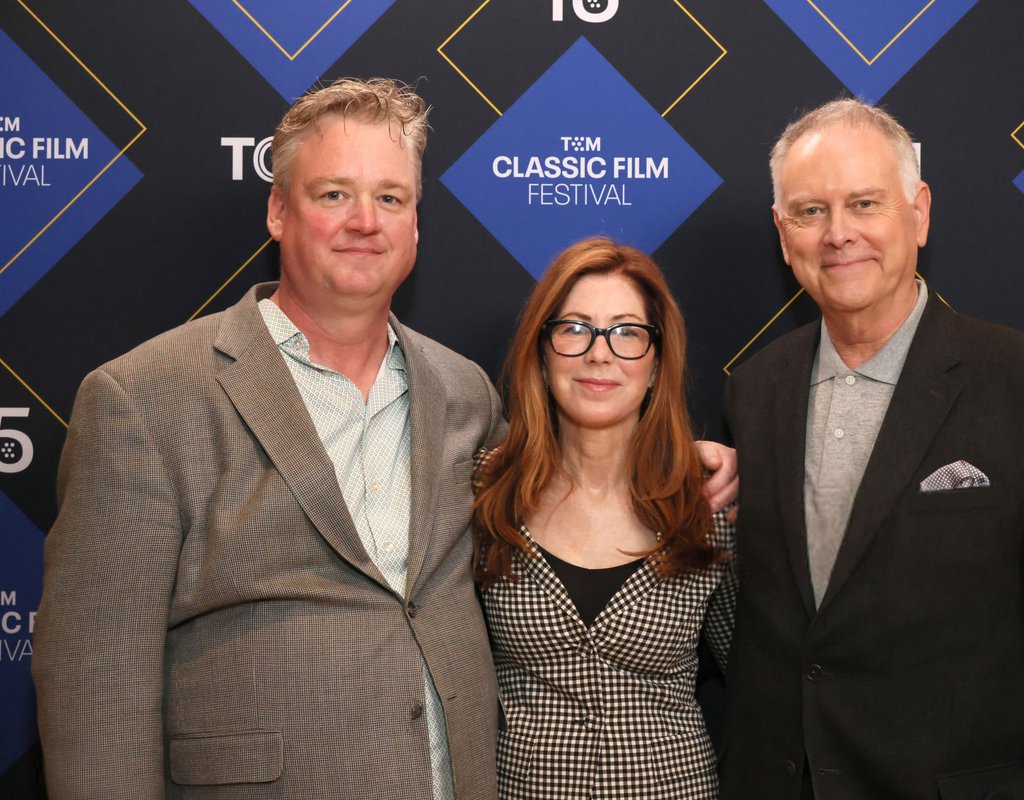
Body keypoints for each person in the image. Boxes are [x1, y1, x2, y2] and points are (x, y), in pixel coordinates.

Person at [33, 79, 736, 800]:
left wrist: (691, 463)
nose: (365, 221)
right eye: (334, 194)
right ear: (278, 211)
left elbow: (568, 477)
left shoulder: (462, 395)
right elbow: (95, 688)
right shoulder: (143, 400)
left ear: (416, 226)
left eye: (391, 199)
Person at [720, 98, 1024, 799]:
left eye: (865, 203)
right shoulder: (755, 390)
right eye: (810, 211)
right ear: (782, 231)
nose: (838, 234)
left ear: (918, 213)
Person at [471, 238, 736, 800]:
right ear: (541, 354)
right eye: (574, 329)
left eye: (626, 332)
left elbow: (762, 676)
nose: (600, 354)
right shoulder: (484, 493)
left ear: (656, 361)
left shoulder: (709, 504)